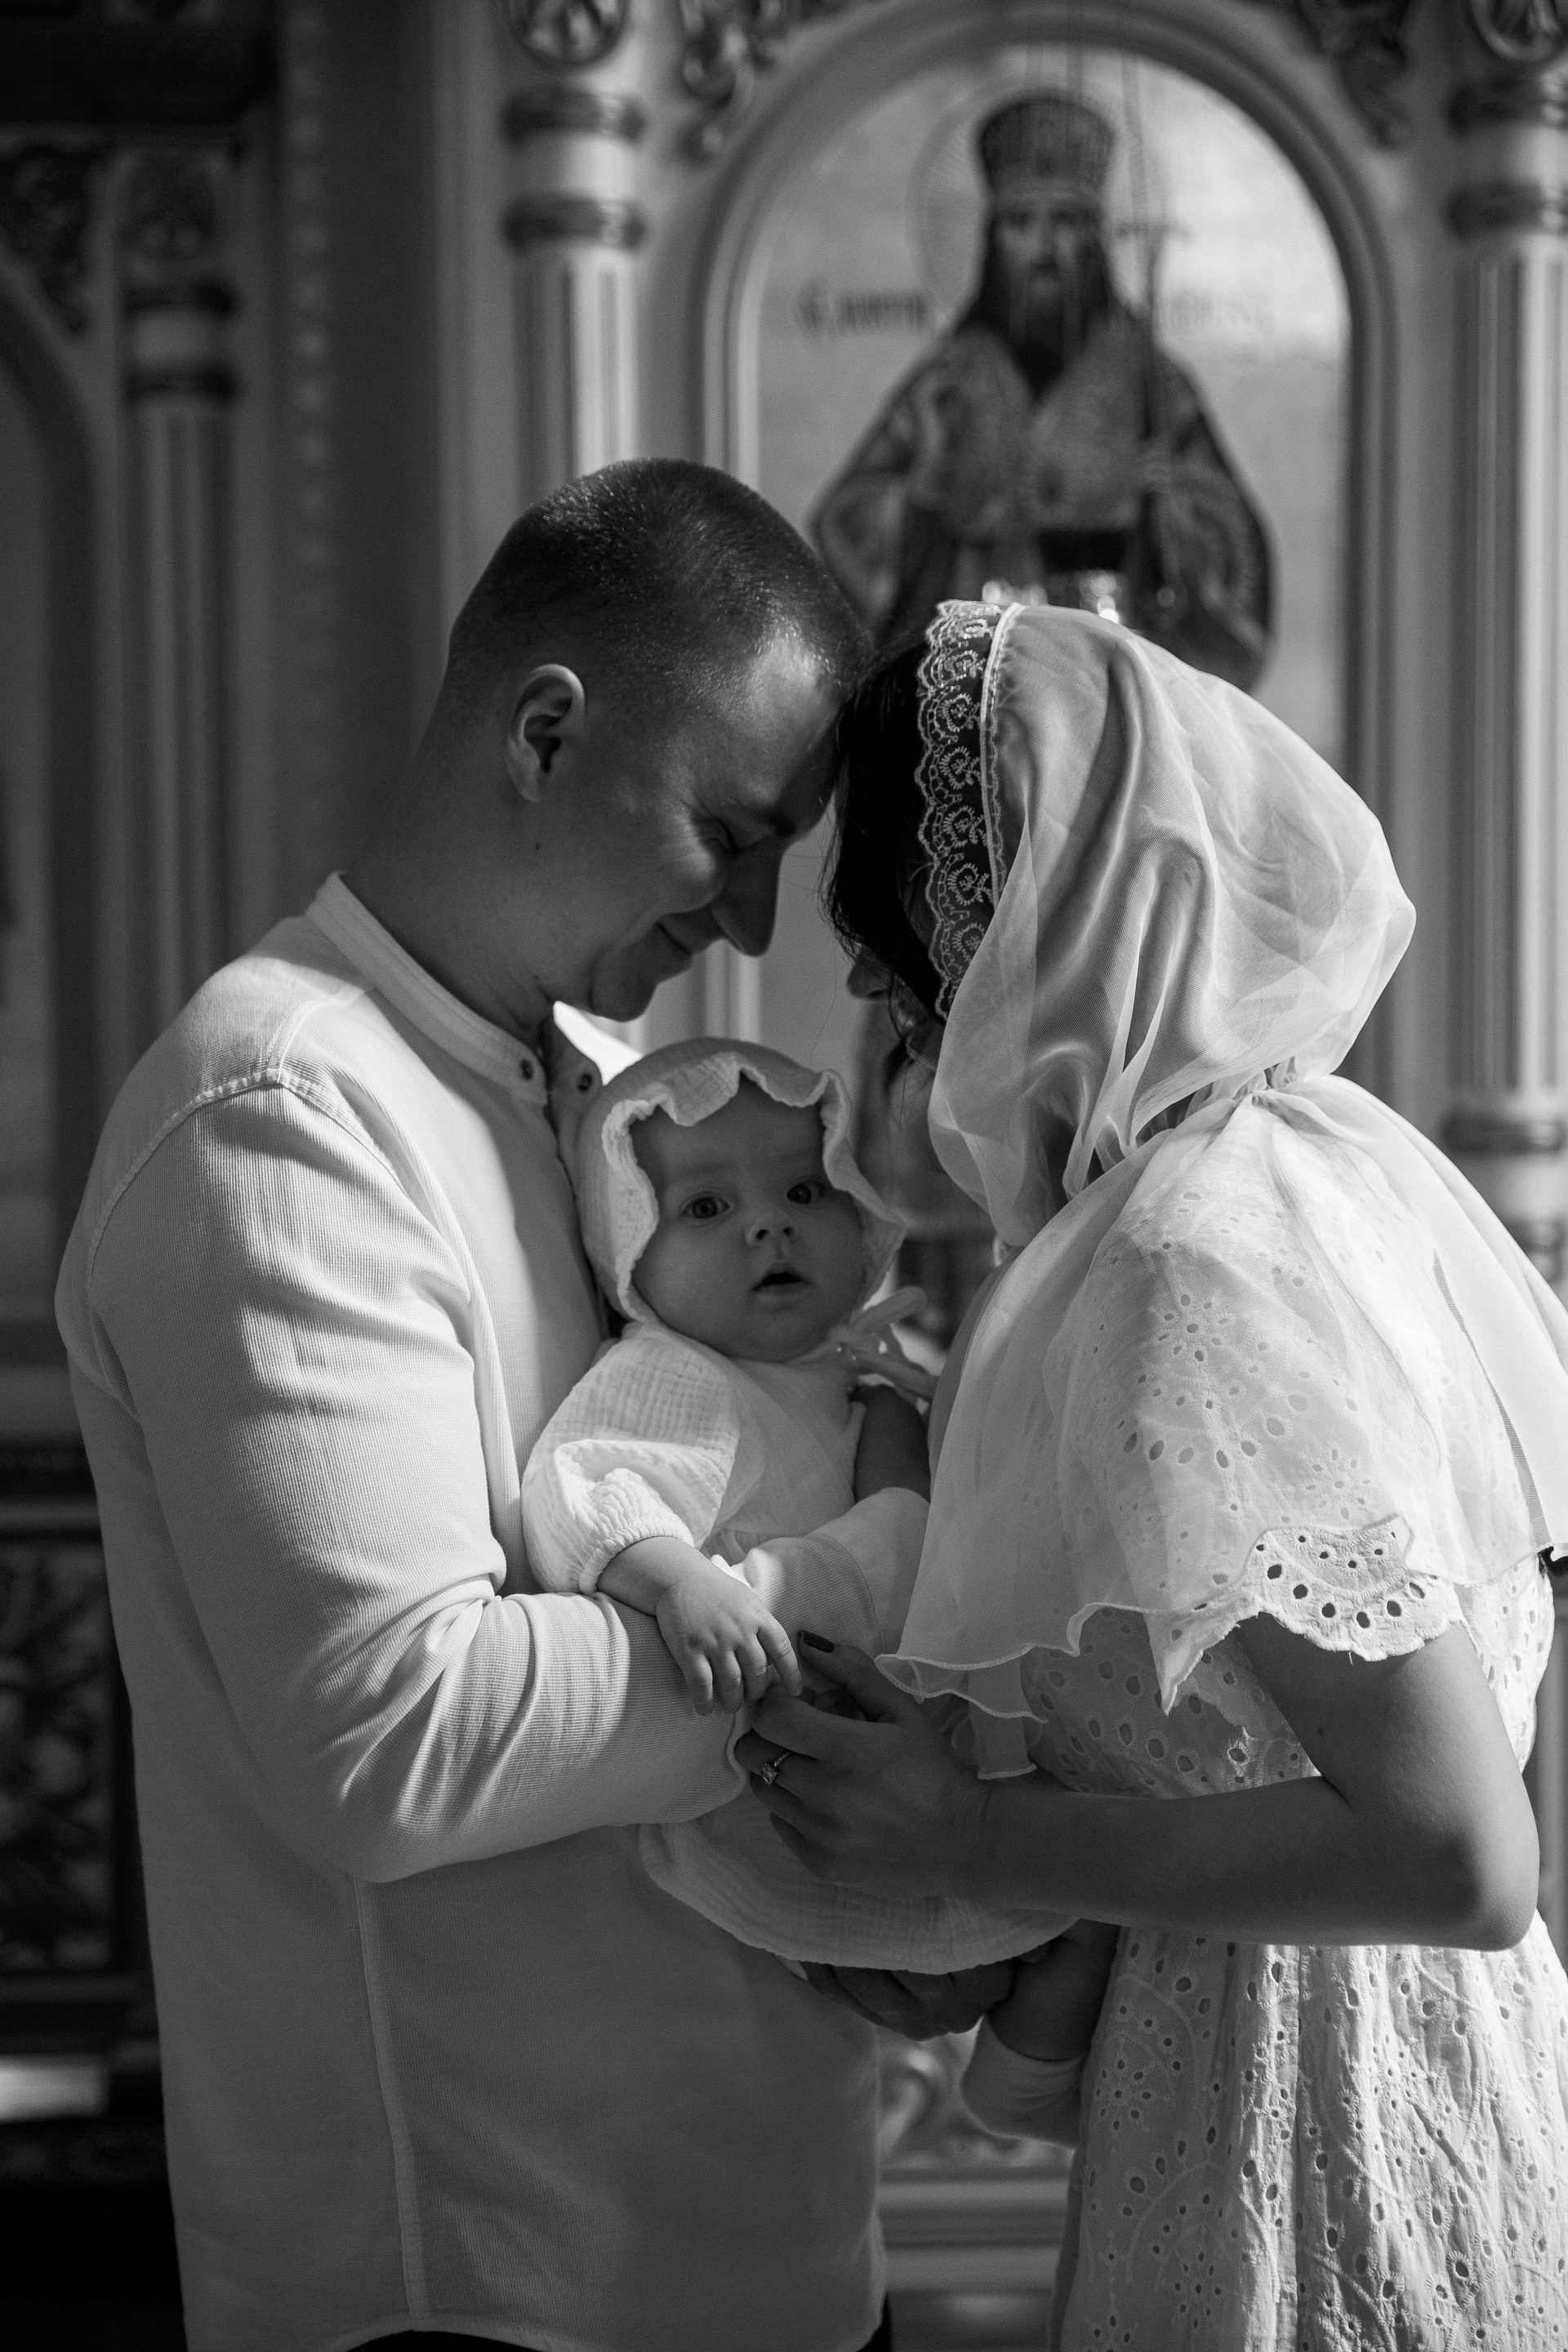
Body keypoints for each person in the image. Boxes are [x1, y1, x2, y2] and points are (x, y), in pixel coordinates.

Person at [53, 461, 921, 2352]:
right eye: (729, 833)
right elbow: (395, 1734)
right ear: (547, 730)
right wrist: (853, 1615)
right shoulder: (281, 1113)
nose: (749, 918)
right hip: (487, 2286)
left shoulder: (622, 1100)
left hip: (772, 2238)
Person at [739, 596, 1568, 2348]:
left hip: (1310, 2157)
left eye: (905, 941)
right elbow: (1251, 1756)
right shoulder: (1307, 1171)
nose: (885, 1003)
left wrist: (971, 1835)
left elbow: (1459, 1854)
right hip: (1309, 2090)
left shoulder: (1190, 1264)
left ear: (1051, 915)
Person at [522, 1039, 930, 1717]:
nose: (772, 1223)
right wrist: (680, 1583)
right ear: (629, 1254)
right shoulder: (677, 1370)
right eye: (707, 1206)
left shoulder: (837, 1378)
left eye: (803, 1191)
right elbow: (582, 1484)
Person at [812, 90, 1272, 688]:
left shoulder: (1152, 382)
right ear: (993, 240)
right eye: (1022, 224)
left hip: (1111, 674)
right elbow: (845, 520)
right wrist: (924, 488)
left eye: (1066, 222)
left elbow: (1233, 544)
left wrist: (1171, 501)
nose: (1045, 248)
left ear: (1096, 238)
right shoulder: (948, 380)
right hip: (971, 678)